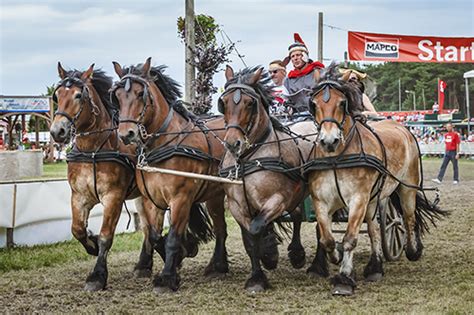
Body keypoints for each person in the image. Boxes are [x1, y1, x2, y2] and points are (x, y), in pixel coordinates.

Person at [283, 33, 324, 116]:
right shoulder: (288, 80)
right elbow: (286, 101)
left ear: (305, 56)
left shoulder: (319, 72)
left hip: (318, 116)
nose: (295, 58)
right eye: (292, 56)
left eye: (298, 55)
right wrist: (287, 107)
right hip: (296, 118)